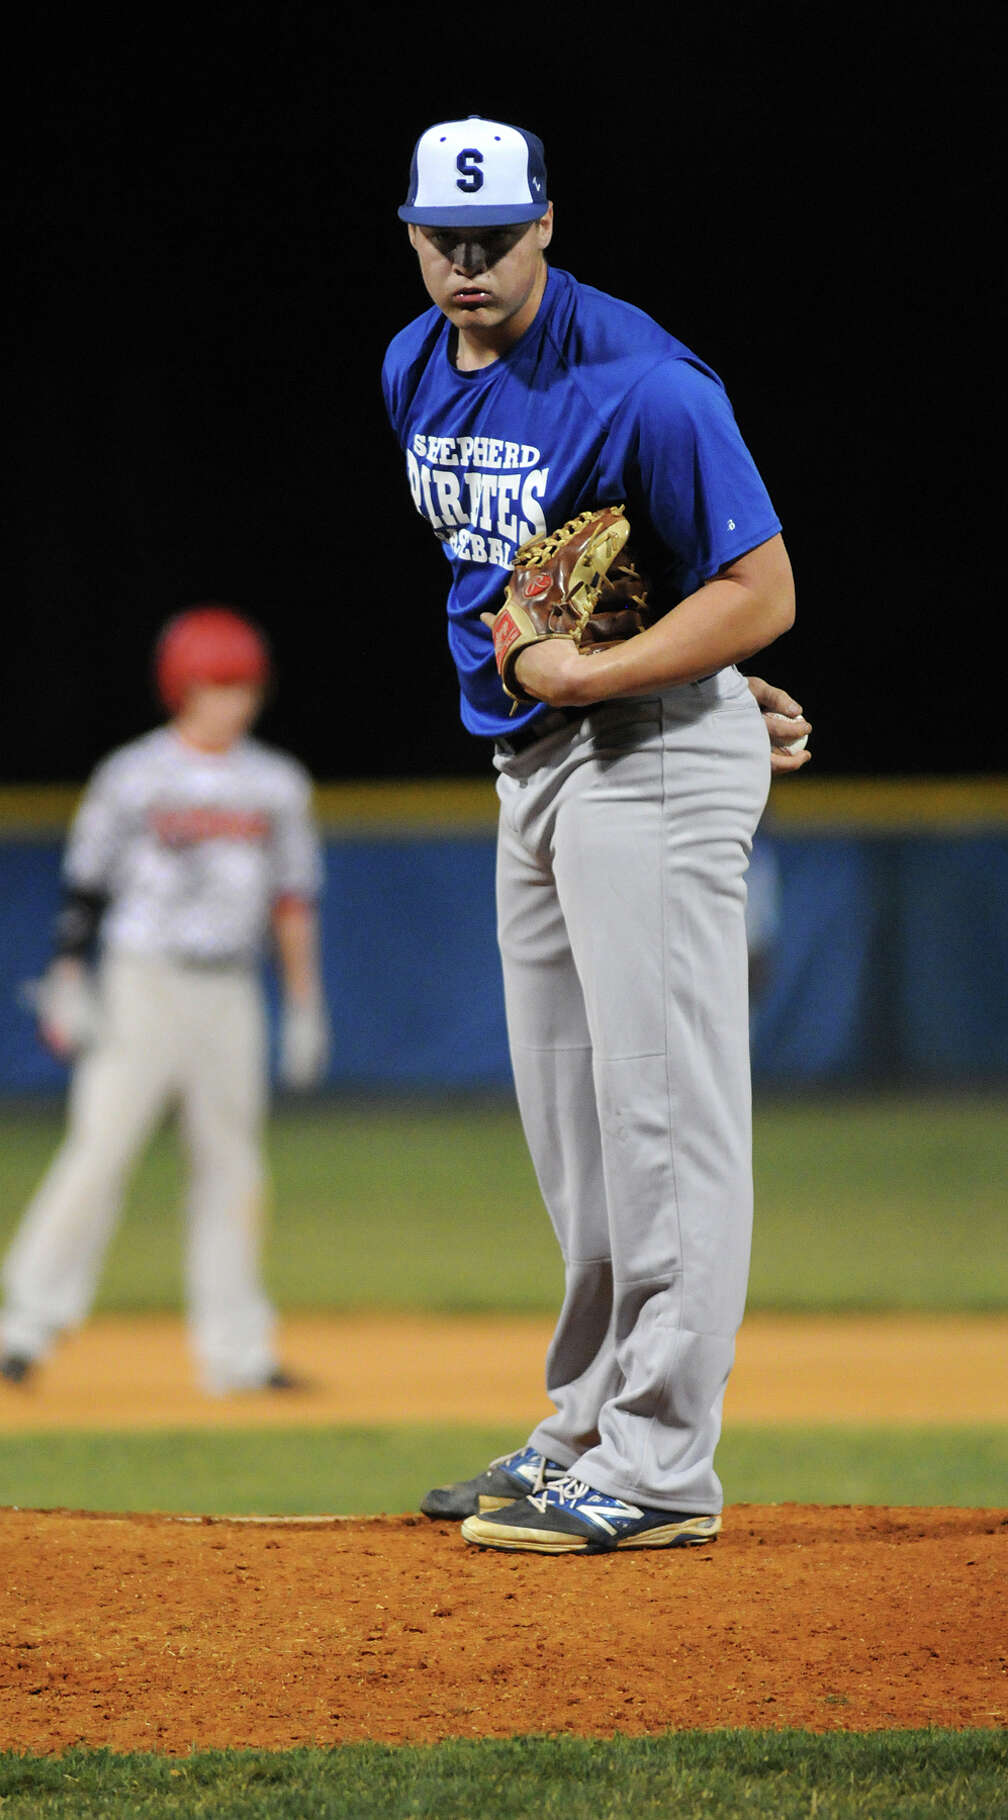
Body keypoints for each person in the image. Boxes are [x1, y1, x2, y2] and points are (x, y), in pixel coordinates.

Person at [383, 117, 811, 1554]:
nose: (466, 264)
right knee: (577, 1134)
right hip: (537, 766)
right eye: (441, 237)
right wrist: (671, 659)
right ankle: (582, 1426)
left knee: (664, 1122)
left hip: (647, 763)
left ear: (547, 225)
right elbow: (549, 581)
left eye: (493, 236)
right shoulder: (410, 369)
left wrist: (667, 678)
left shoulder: (643, 382)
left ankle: (661, 1466)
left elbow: (761, 585)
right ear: (408, 235)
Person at [0, 605, 329, 1395]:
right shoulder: (133, 774)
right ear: (181, 686)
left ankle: (238, 1354)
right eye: (217, 683)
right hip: (144, 981)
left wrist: (306, 1003)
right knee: (100, 1151)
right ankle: (26, 1324)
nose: (233, 700)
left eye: (243, 684)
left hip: (230, 991)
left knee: (233, 1171)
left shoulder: (275, 783)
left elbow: (293, 899)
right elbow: (86, 884)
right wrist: (69, 975)